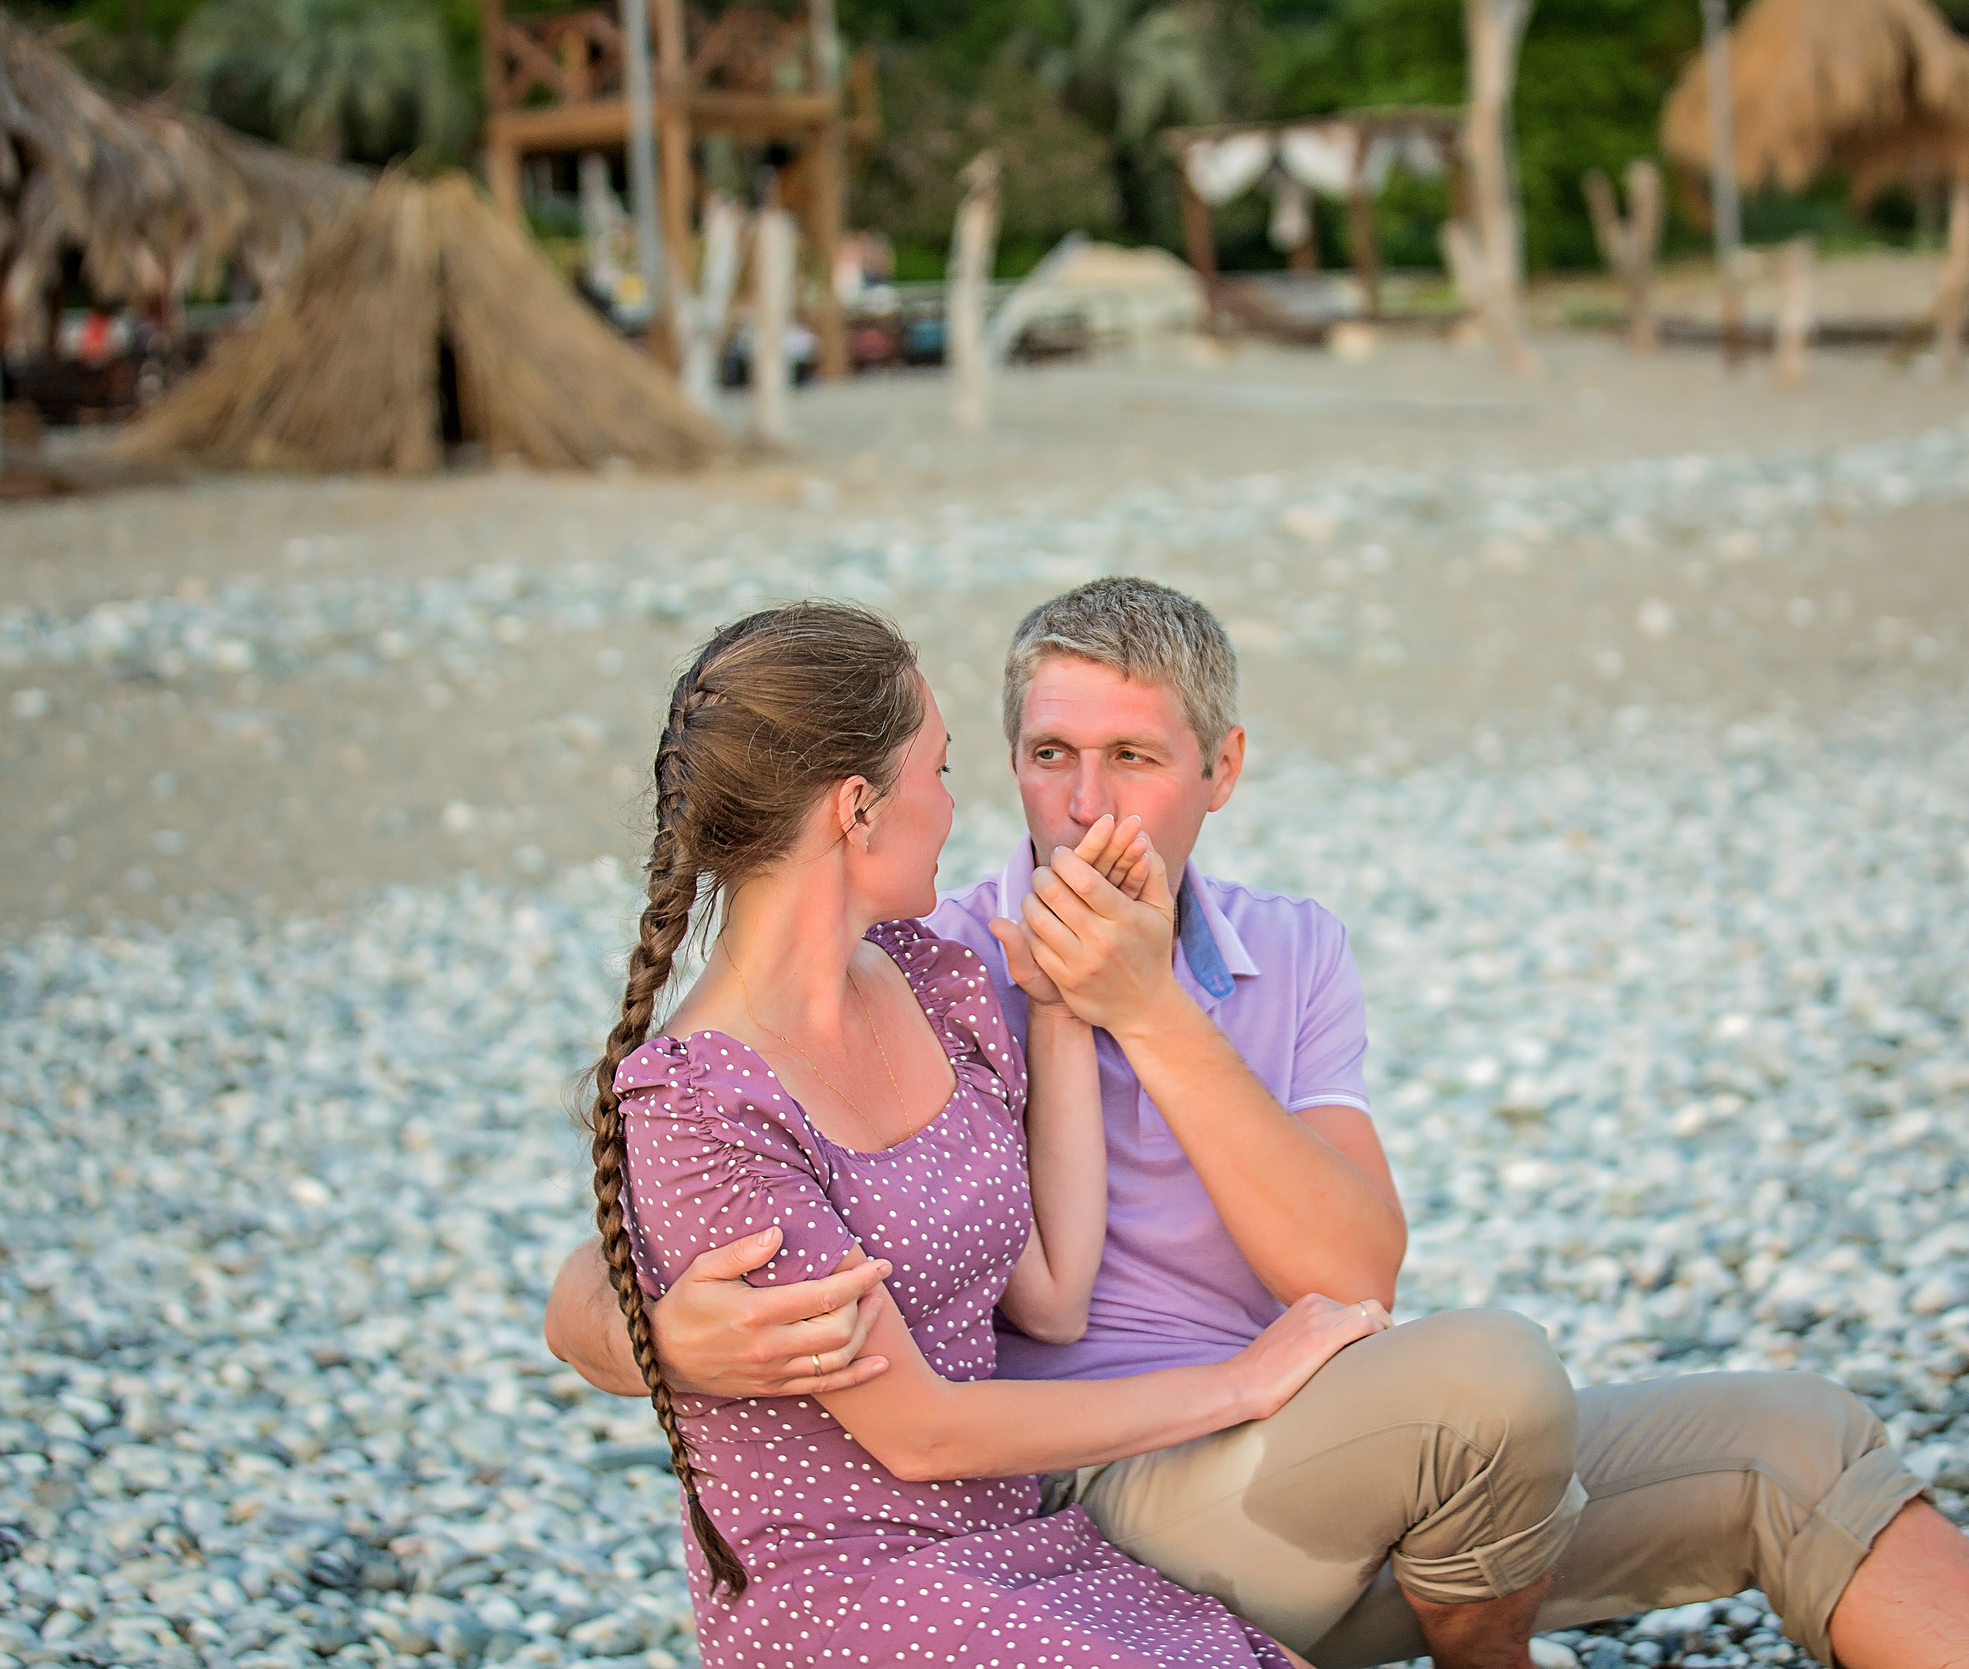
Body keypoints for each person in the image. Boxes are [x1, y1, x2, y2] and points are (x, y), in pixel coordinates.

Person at [552, 579, 1969, 1669]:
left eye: (1135, 759)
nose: (1081, 807)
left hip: (1314, 1452)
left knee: (1786, 1432)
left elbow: (1351, 1269)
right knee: (1488, 1387)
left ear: (1222, 770)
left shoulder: (1279, 955)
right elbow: (614, 1263)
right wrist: (683, 1339)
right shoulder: (938, 952)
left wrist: (1144, 1005)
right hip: (1098, 1495)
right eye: (1041, 756)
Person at [580, 599, 1393, 1669]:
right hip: (850, 1586)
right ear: (858, 809)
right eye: (945, 772)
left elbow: (1050, 1294)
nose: (963, 813)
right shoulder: (702, 1097)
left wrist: (1061, 1008)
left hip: (1009, 1538)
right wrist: (1242, 1384)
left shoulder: (935, 976)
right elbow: (916, 1432)